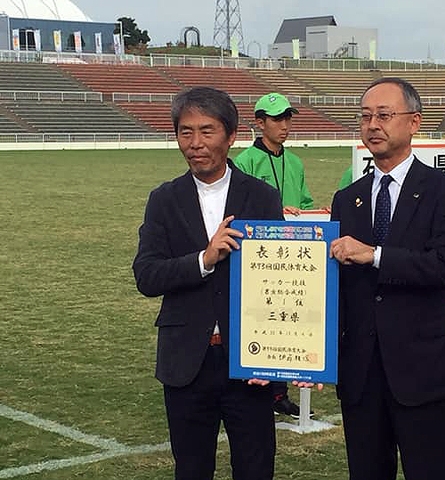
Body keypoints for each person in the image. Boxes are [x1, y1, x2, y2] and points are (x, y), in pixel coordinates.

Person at [133, 86, 284, 480]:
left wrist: (279, 356)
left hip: (248, 362)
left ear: (231, 136)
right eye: (185, 132)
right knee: (192, 468)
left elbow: (280, 278)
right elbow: (146, 275)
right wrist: (205, 258)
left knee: (255, 467)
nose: (195, 144)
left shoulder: (263, 197)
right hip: (186, 362)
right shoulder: (164, 199)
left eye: (207, 131)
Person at [330, 77, 445, 480]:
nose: (373, 124)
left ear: (414, 123)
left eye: (384, 115)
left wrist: (373, 255)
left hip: (423, 371)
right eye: (366, 116)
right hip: (361, 375)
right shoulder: (347, 198)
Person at [233, 92, 313, 417]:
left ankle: (280, 393)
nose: (284, 125)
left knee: (288, 322)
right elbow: (237, 207)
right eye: (277, 119)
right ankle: (259, 387)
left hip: (293, 257)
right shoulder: (244, 162)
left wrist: (311, 213)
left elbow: (305, 204)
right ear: (259, 122)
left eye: (287, 118)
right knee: (260, 320)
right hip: (259, 256)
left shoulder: (295, 162)